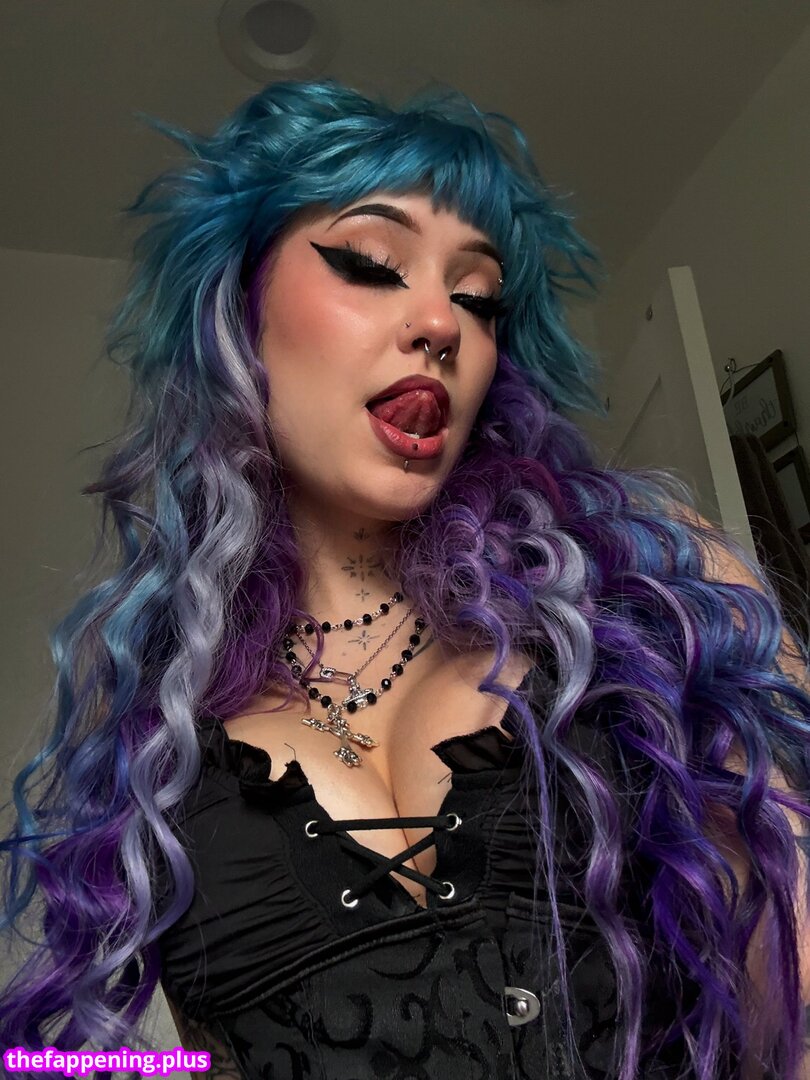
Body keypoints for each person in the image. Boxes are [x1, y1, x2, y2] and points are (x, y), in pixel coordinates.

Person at [1, 78, 809, 1080]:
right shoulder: (155, 722)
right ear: (239, 314)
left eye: (478, 297)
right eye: (372, 264)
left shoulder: (654, 591)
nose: (441, 323)